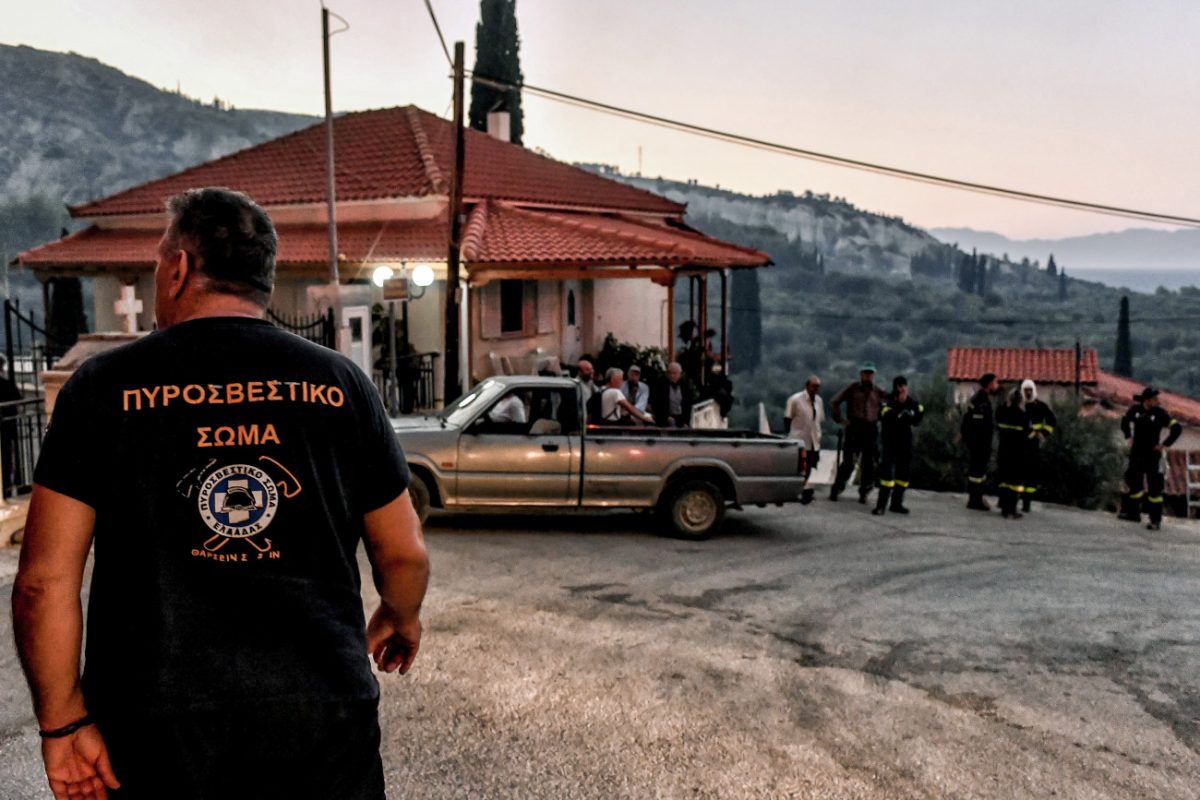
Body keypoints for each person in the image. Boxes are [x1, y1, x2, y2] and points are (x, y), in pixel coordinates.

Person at [12, 188, 430, 800]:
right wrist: (400, 614)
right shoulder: (341, 385)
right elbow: (404, 553)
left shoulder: (101, 389)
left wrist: (63, 723)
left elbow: (43, 583)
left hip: (152, 731)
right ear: (264, 280)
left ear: (178, 268)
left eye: (159, 260)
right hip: (319, 723)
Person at [1119, 386, 1181, 530]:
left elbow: (1177, 429)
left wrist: (1164, 444)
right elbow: (1124, 421)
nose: (1157, 401)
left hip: (1153, 456)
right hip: (1136, 454)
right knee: (1134, 483)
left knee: (1155, 488)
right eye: (1155, 399)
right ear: (1147, 400)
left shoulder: (1160, 413)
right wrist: (1128, 437)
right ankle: (1133, 513)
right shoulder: (1135, 410)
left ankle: (1155, 521)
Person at [828, 361, 886, 504]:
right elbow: (835, 401)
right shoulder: (853, 388)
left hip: (870, 428)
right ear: (861, 374)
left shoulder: (878, 391)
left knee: (868, 463)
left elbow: (887, 407)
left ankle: (864, 492)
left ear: (873, 375)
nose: (868, 375)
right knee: (848, 462)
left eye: (870, 373)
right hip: (855, 427)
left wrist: (880, 418)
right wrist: (840, 419)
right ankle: (837, 488)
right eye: (866, 373)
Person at [873, 376, 923, 516]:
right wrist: (899, 412)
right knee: (887, 476)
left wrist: (910, 414)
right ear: (895, 387)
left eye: (904, 386)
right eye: (900, 386)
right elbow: (883, 414)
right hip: (890, 442)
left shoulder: (911, 402)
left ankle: (896, 504)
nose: (902, 389)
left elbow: (918, 415)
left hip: (905, 443)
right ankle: (881, 506)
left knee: (903, 475)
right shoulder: (887, 400)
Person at [961, 372, 1000, 511]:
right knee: (976, 472)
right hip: (979, 444)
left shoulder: (984, 399)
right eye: (996, 382)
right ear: (989, 384)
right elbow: (973, 422)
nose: (997, 385)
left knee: (979, 472)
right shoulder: (979, 400)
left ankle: (977, 497)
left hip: (982, 443)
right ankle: (975, 500)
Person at [785, 375, 824, 504]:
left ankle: (803, 490)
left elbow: (818, 420)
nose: (815, 389)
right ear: (807, 386)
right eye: (813, 386)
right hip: (799, 438)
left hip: (813, 440)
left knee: (810, 466)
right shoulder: (795, 399)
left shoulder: (819, 401)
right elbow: (787, 418)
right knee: (799, 466)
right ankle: (795, 490)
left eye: (818, 387)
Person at [1020, 379, 1057, 513]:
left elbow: (1052, 420)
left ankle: (1027, 502)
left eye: (1030, 390)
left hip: (1033, 445)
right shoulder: (1019, 405)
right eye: (1026, 390)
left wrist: (1043, 433)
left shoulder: (1040, 406)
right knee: (1017, 472)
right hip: (1019, 444)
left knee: (1031, 473)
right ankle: (1011, 499)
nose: (1028, 393)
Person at [995, 388, 1032, 519]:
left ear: (1009, 399)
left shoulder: (1002, 412)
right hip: (1017, 454)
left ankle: (1004, 507)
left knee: (1004, 480)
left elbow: (997, 421)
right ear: (1020, 400)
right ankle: (1011, 510)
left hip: (1003, 451)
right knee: (1015, 483)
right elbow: (1028, 434)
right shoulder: (1023, 416)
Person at [0, 354, 23, 496]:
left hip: (6, 428)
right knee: (7, 460)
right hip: (7, 429)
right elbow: (19, 407)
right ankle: (7, 489)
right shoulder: (8, 384)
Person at [651, 361, 695, 428]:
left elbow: (688, 405)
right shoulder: (661, 385)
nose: (672, 375)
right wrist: (666, 417)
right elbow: (656, 404)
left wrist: (686, 422)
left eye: (674, 373)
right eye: (670, 373)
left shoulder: (685, 386)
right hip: (665, 420)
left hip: (680, 419)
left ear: (679, 374)